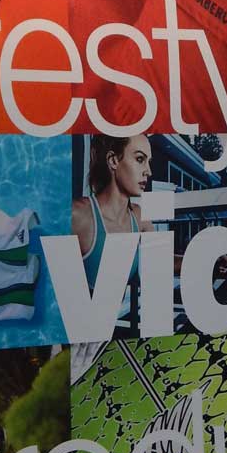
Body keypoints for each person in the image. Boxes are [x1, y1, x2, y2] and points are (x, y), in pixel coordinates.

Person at [71, 134, 156, 336]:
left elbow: (162, 260)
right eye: (140, 159)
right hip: (74, 341)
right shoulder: (79, 215)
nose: (149, 171)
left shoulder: (139, 218)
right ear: (113, 161)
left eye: (149, 162)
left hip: (109, 337)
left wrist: (209, 260)